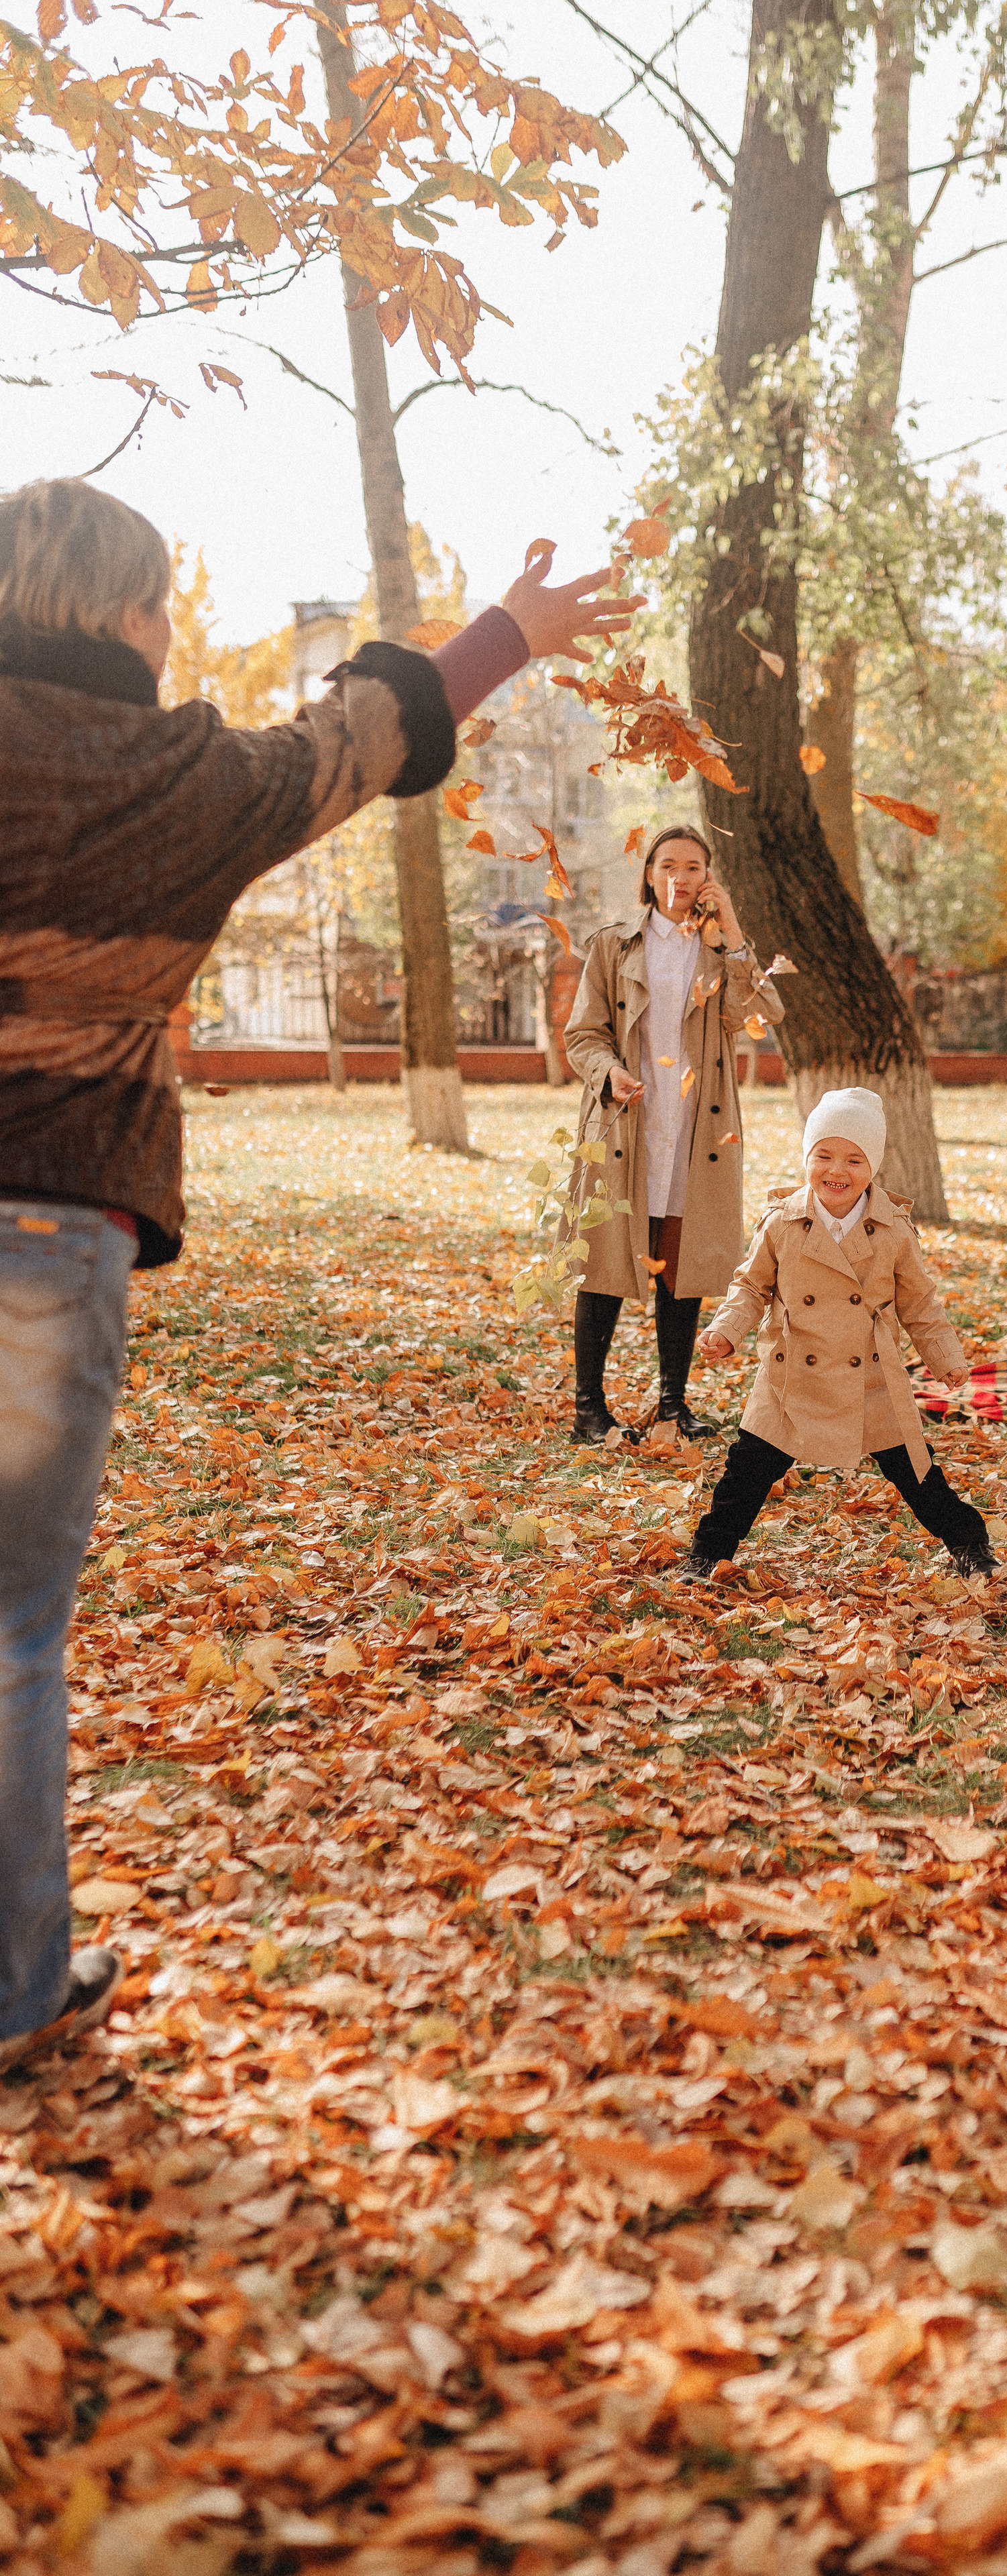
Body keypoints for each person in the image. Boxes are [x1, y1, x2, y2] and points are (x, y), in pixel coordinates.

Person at [0, 475, 641, 2076]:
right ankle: (11, 1990)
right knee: (11, 1629)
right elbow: (363, 734)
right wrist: (508, 627)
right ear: (130, 617)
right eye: (159, 606)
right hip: (53, 1231)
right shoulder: (183, 779)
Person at [688, 1086, 996, 1577]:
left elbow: (920, 1303)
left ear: (873, 1167)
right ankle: (708, 1552)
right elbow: (750, 1286)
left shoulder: (893, 1230)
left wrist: (946, 1359)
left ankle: (968, 1542)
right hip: (792, 1372)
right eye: (824, 1155)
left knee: (915, 1472)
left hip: (868, 1375)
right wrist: (726, 1331)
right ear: (806, 1158)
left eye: (855, 1160)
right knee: (747, 1470)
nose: (837, 1171)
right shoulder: (781, 1222)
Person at [562, 826, 784, 1442]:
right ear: (650, 874)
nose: (680, 877)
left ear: (708, 879)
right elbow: (583, 1035)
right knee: (606, 1261)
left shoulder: (720, 952)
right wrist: (610, 1073)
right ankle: (589, 1411)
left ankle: (671, 1406)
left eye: (694, 867)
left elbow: (760, 1015)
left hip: (697, 1126)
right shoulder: (612, 946)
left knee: (680, 1266)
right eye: (668, 865)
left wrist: (734, 930)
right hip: (624, 1122)